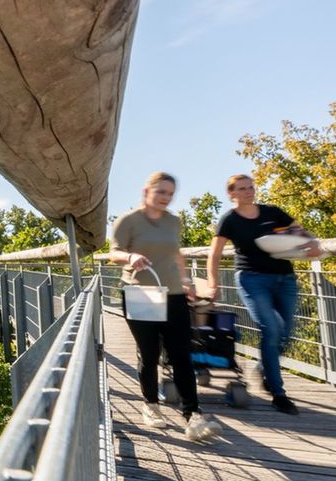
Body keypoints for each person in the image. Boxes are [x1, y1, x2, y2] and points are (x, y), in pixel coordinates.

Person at [109, 172, 222, 441]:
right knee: (149, 354)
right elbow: (113, 253)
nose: (165, 198)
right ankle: (151, 406)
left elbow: (176, 254)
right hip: (141, 293)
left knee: (181, 354)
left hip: (173, 294)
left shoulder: (173, 221)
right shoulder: (129, 221)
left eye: (170, 194)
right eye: (161, 192)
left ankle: (192, 415)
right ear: (146, 191)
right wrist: (130, 255)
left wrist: (187, 281)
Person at [206, 174, 323, 415]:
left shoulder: (272, 212)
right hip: (252, 279)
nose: (249, 192)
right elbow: (215, 253)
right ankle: (279, 394)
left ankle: (263, 369)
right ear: (232, 194)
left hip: (285, 278)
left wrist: (312, 243)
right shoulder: (229, 220)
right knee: (271, 328)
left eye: (251, 187)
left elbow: (300, 233)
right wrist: (213, 283)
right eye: (242, 189)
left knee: (286, 333)